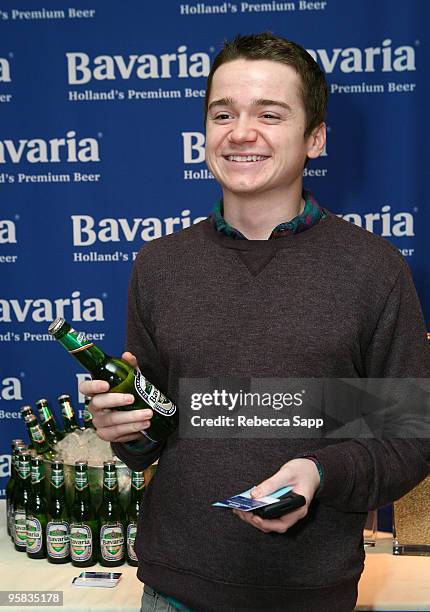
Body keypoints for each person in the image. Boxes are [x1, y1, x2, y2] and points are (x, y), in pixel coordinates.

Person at [80, 33, 430, 612]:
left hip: (309, 593)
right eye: (224, 114)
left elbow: (408, 439)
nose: (241, 132)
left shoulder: (374, 269)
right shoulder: (160, 264)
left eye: (270, 114)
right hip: (172, 591)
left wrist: (320, 471)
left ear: (315, 138)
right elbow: (156, 436)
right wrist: (127, 428)